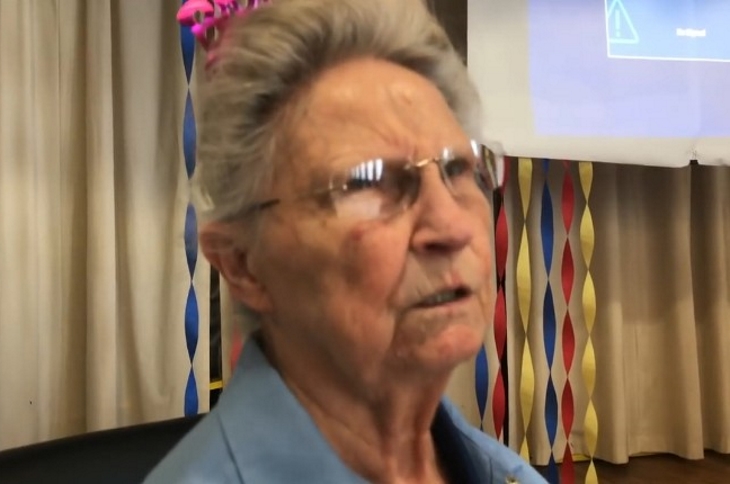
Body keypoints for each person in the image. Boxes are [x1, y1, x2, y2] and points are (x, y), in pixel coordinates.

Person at [147, 0, 547, 482]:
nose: (452, 228)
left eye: (459, 169)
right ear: (243, 265)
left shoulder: (506, 473)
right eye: (368, 182)